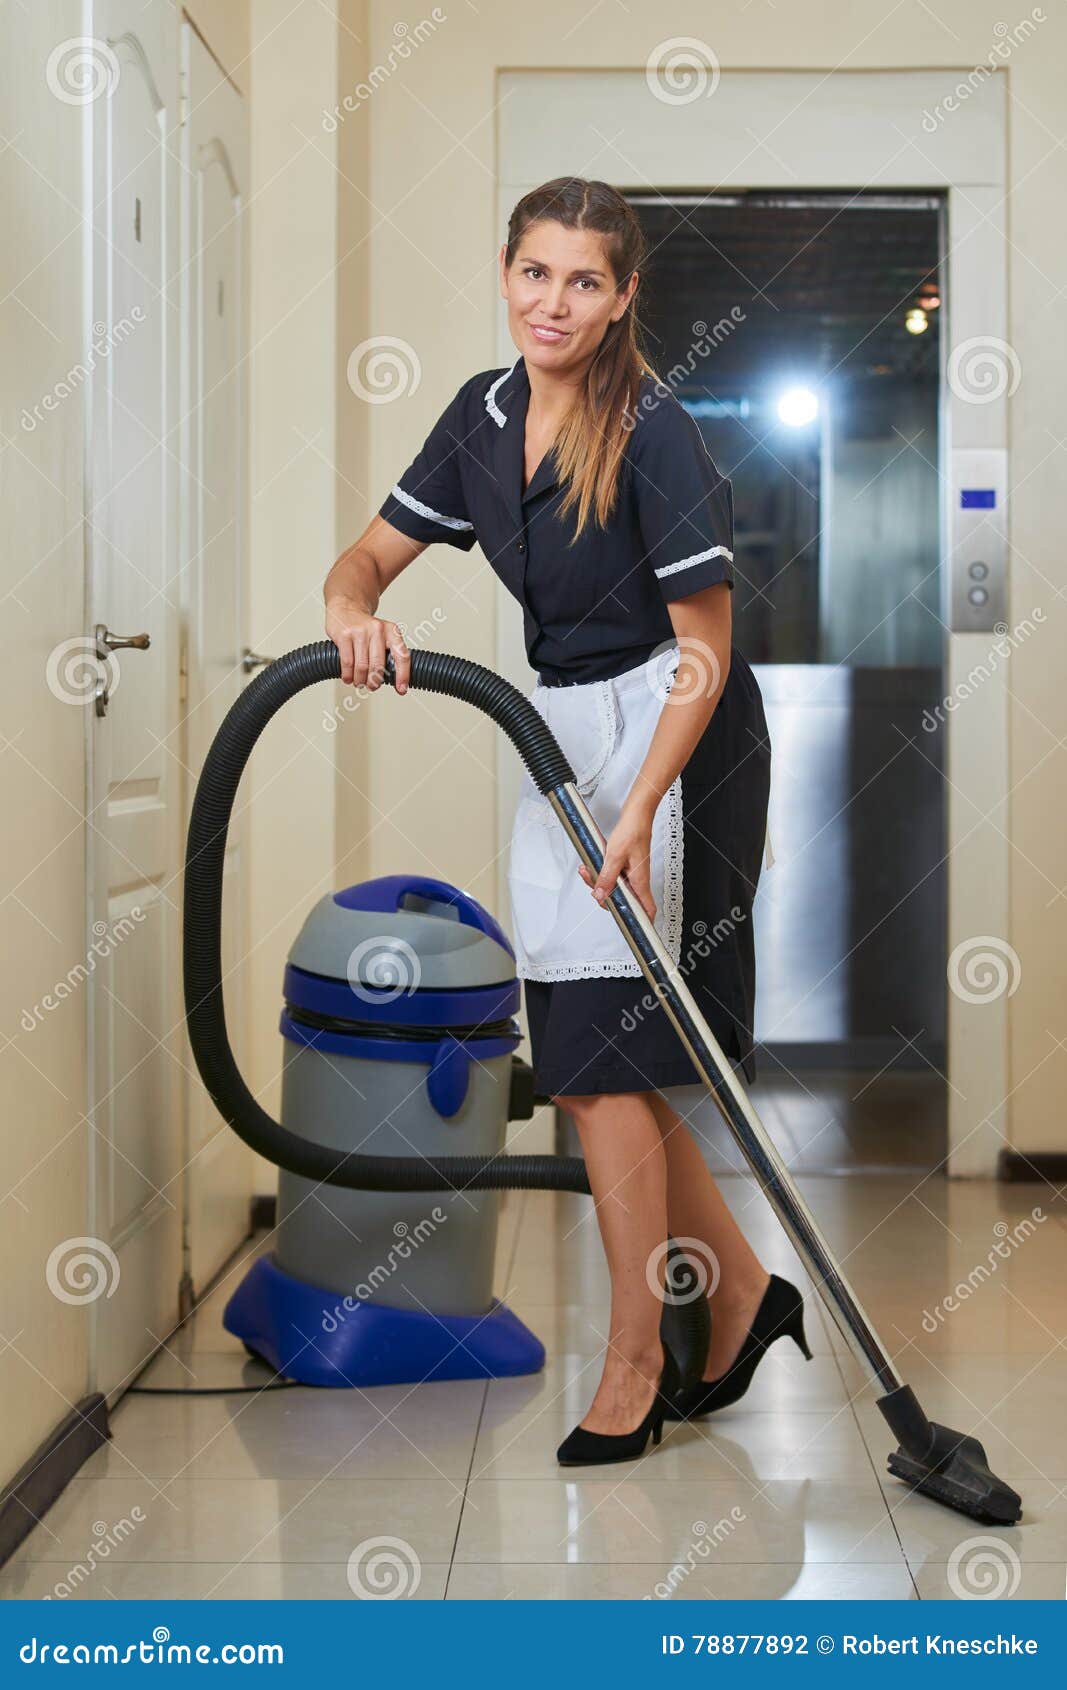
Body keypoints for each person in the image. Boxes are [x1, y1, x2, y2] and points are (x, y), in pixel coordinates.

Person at [323, 176, 809, 1467]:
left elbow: (706, 647)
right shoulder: (478, 419)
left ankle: (640, 1359)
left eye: (586, 280)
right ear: (504, 272)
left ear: (623, 296)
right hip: (558, 734)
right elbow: (362, 558)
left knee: (608, 1068)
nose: (556, 302)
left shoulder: (654, 428)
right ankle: (750, 1298)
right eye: (537, 273)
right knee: (595, 1063)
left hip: (677, 732)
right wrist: (350, 609)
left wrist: (644, 805)